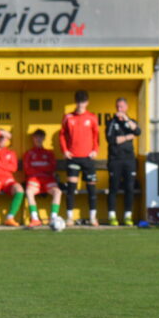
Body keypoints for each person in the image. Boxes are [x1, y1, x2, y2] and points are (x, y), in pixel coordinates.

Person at [60, 89, 100, 226]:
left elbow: (96, 135)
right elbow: (61, 135)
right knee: (71, 188)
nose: (81, 105)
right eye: (78, 102)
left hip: (88, 158)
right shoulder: (68, 117)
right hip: (73, 157)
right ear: (75, 102)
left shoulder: (92, 117)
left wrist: (95, 150)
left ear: (87, 102)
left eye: (83, 102)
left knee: (91, 189)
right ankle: (69, 217)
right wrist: (65, 150)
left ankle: (93, 217)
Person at [14, 129, 62, 228]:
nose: (38, 139)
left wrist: (37, 168)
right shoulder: (29, 153)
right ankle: (35, 218)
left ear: (44, 138)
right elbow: (27, 170)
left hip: (47, 179)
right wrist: (43, 168)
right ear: (33, 138)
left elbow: (52, 167)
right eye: (36, 137)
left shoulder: (49, 153)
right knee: (29, 191)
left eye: (40, 137)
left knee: (57, 192)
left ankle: (53, 218)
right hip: (34, 179)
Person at [105, 97, 141, 226]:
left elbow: (137, 131)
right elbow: (111, 140)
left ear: (126, 108)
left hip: (129, 160)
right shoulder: (111, 122)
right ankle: (112, 215)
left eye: (121, 107)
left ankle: (127, 215)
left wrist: (127, 120)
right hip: (115, 160)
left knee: (129, 188)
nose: (119, 109)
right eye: (117, 107)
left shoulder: (131, 121)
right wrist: (127, 137)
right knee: (113, 188)